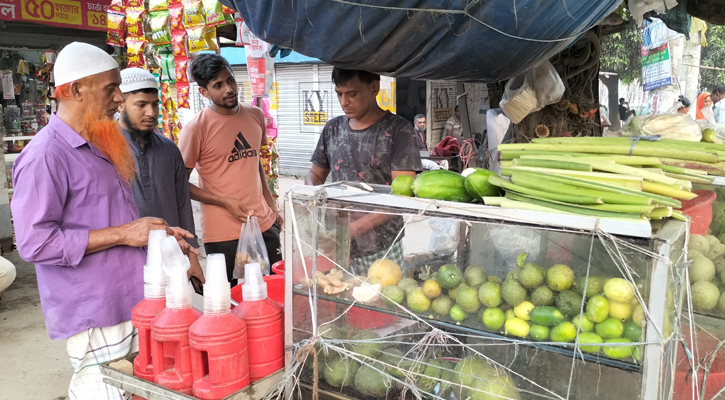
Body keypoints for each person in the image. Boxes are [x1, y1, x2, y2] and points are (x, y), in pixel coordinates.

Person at [10, 42, 196, 400]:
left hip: (133, 298)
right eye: (111, 88)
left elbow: (115, 220)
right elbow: (35, 243)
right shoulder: (45, 155)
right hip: (95, 309)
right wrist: (125, 233)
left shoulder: (101, 142)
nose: (117, 98)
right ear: (77, 89)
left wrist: (158, 235)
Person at [179, 54, 282, 286]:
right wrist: (224, 201)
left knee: (274, 294)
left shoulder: (255, 115)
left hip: (264, 224)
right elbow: (180, 184)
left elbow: (256, 164)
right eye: (218, 85)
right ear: (204, 92)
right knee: (232, 304)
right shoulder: (195, 129)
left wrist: (273, 208)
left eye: (230, 81)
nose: (228, 89)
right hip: (223, 233)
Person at [305, 68, 422, 270]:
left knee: (382, 300)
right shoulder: (332, 129)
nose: (344, 102)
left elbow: (403, 195)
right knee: (338, 297)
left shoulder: (398, 130)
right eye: (339, 94)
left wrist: (353, 229)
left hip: (381, 247)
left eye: (352, 94)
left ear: (374, 88)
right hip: (335, 243)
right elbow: (315, 174)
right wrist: (309, 200)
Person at [118, 67, 205, 284]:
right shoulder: (102, 150)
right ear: (120, 104)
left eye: (155, 104)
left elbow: (183, 204)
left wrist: (192, 257)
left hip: (171, 258)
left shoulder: (169, 150)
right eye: (141, 105)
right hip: (124, 261)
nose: (151, 113)